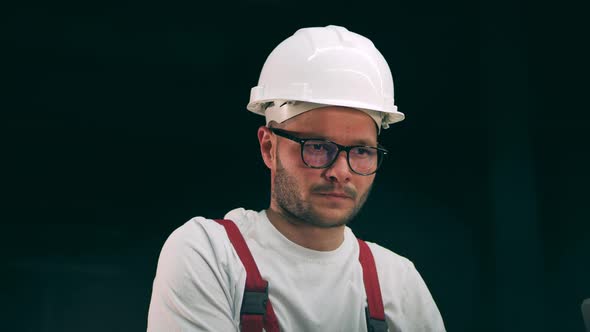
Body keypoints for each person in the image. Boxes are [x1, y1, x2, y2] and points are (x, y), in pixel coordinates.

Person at [147, 25, 446, 332]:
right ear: (268, 148)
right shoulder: (210, 254)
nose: (340, 171)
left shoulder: (398, 282)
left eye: (361, 151)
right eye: (318, 147)